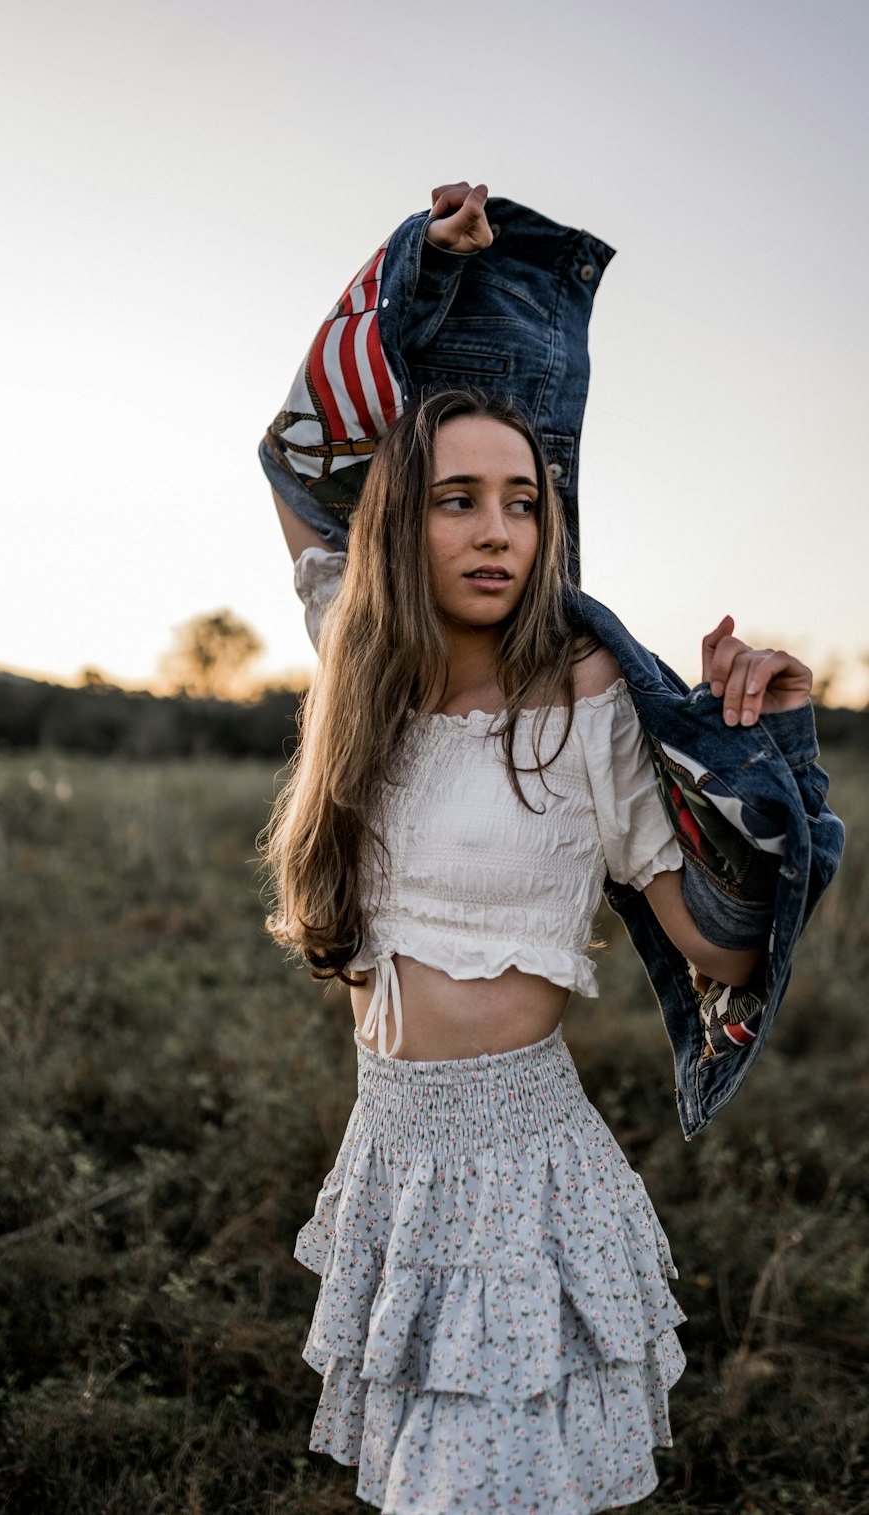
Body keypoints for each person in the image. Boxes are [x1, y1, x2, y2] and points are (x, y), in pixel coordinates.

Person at [260, 185, 842, 1514]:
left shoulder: (588, 699)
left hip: (520, 1179)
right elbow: (303, 456)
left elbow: (725, 941)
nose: (497, 530)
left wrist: (778, 764)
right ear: (403, 518)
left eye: (523, 502)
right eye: (459, 498)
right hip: (393, 1167)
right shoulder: (361, 657)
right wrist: (409, 264)